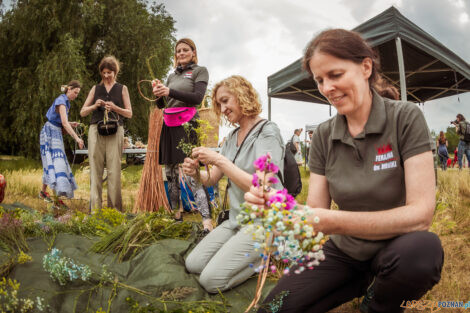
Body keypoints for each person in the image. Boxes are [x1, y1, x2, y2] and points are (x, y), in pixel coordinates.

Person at [246, 29, 443, 313]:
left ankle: (378, 302)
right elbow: (315, 211)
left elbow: (421, 215)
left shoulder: (405, 117)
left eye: (335, 75)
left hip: (398, 248)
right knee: (274, 309)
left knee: (424, 251)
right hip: (344, 252)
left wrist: (331, 221)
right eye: (319, 80)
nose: (326, 88)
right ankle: (357, 280)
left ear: (365, 67)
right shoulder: (324, 136)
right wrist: (279, 208)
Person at [182, 75, 284, 293]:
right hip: (236, 220)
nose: (223, 108)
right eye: (219, 104)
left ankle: (268, 254)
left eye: (226, 100)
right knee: (193, 264)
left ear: (242, 95)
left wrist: (218, 158)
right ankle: (245, 252)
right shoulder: (232, 137)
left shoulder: (267, 132)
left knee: (210, 281)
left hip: (262, 223)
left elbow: (262, 185)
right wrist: (195, 174)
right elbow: (211, 179)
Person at [152, 38, 213, 232]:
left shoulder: (199, 71)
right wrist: (159, 94)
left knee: (190, 170)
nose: (181, 53)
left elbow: (197, 98)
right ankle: (176, 216)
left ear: (193, 52)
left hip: (187, 123)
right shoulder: (171, 76)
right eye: (178, 51)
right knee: (170, 173)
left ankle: (206, 220)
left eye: (185, 50)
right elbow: (162, 105)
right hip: (169, 124)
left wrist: (170, 90)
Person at [80, 56, 132, 211]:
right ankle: (95, 211)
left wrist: (116, 108)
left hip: (116, 131)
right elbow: (83, 112)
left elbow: (129, 113)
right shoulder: (95, 89)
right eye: (104, 72)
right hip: (96, 130)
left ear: (115, 72)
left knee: (114, 170)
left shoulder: (122, 88)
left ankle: (114, 211)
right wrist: (94, 106)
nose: (107, 76)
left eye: (109, 72)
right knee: (95, 170)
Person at [39, 81, 84, 203]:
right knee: (55, 163)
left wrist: (71, 124)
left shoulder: (65, 102)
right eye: (75, 92)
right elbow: (63, 123)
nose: (76, 95)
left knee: (56, 163)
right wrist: (77, 138)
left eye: (77, 94)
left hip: (55, 132)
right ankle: (51, 196)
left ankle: (48, 194)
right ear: (69, 89)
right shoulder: (61, 101)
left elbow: (61, 121)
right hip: (49, 133)